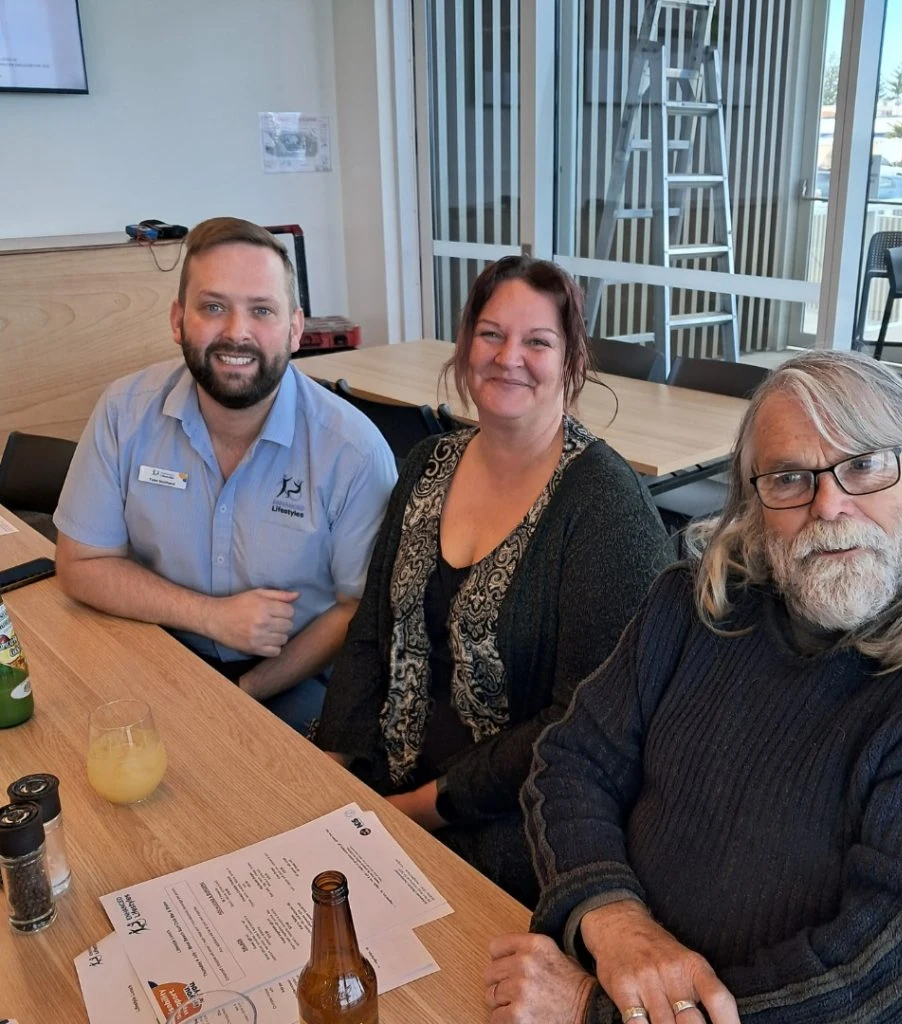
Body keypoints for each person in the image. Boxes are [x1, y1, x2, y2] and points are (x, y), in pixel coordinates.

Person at [488, 350, 902, 1023]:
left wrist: (591, 1010)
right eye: (791, 477)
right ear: (751, 501)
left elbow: (897, 996)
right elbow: (569, 762)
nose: (830, 504)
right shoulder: (697, 604)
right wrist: (613, 917)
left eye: (864, 465)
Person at [314, 255, 673, 904]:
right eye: (491, 334)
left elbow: (578, 723)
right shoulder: (428, 464)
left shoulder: (603, 506)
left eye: (538, 341)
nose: (510, 356)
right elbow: (372, 629)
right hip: (384, 781)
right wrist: (335, 765)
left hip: (511, 825)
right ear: (465, 345)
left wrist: (418, 809)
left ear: (571, 362)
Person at [54, 217, 396, 734]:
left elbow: (357, 611)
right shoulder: (124, 412)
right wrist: (210, 617)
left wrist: (242, 694)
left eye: (262, 310)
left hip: (294, 678)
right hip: (154, 646)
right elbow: (80, 563)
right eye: (213, 307)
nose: (236, 331)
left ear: (296, 329)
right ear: (178, 320)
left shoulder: (353, 451)